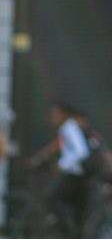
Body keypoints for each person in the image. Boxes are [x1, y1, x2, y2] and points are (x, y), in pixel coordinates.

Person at [29, 101, 91, 236]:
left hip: (74, 174)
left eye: (55, 113)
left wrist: (62, 165)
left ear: (63, 114)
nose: (52, 117)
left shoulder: (69, 128)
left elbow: (81, 151)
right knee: (77, 208)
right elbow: (55, 147)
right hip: (78, 175)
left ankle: (66, 232)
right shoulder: (66, 129)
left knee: (52, 198)